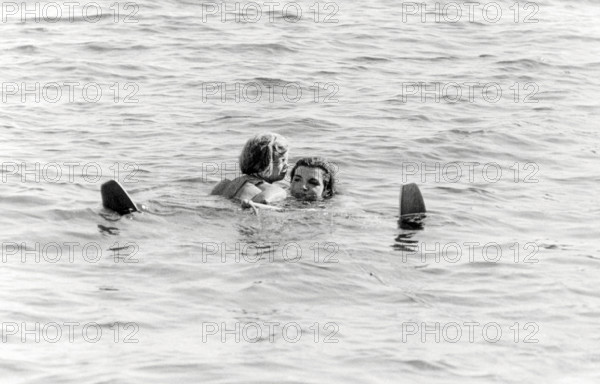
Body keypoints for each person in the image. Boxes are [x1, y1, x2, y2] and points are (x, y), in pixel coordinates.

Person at [211, 132, 289, 204]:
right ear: (268, 161)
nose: (286, 165)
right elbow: (264, 199)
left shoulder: (225, 183)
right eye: (283, 160)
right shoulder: (274, 190)